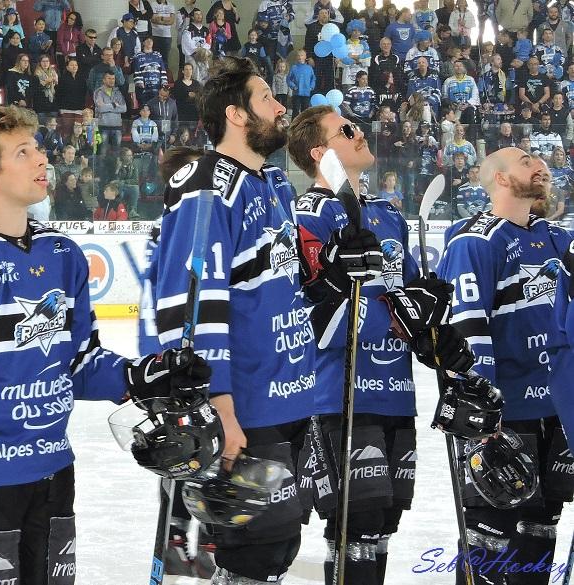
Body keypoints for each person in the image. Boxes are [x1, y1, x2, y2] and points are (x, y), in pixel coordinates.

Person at [0, 105, 210, 584]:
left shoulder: (62, 253)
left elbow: (78, 360)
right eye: (23, 152)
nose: (42, 160)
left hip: (53, 471)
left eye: (37, 148)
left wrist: (141, 375)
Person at [151, 55, 361, 585]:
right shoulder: (206, 184)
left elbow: (282, 289)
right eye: (266, 97)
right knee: (252, 557)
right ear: (236, 114)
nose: (280, 106)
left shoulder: (272, 184)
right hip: (246, 406)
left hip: (291, 399)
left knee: (278, 549)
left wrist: (338, 271)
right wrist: (220, 412)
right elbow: (191, 309)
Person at [288, 106, 473, 584]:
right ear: (320, 153)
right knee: (357, 524)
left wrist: (434, 324)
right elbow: (314, 319)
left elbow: (411, 302)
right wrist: (399, 317)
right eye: (345, 129)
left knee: (385, 523)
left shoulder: (387, 215)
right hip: (340, 394)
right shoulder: (307, 216)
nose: (359, 131)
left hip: (395, 392)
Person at [438, 147, 574, 585]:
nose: (541, 164)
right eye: (527, 159)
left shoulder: (556, 237)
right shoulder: (475, 240)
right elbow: (468, 333)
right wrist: (484, 420)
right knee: (490, 540)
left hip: (555, 411)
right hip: (505, 415)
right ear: (499, 178)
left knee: (540, 532)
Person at [94, 70, 126, 149]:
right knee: (102, 153)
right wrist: (114, 105)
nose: (112, 81)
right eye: (109, 78)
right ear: (104, 80)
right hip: (103, 126)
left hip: (117, 127)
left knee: (116, 154)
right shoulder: (98, 92)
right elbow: (100, 108)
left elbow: (124, 108)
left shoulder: (118, 92)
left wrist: (107, 107)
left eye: (113, 79)